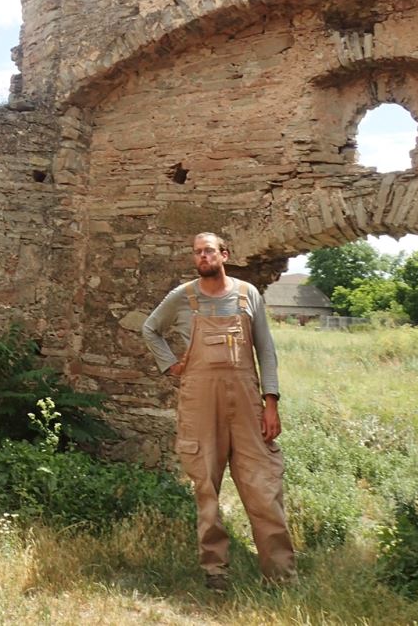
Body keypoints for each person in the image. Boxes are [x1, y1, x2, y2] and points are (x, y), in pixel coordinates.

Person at [142, 232, 296, 591]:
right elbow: (150, 329)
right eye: (197, 252)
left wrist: (270, 401)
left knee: (263, 485)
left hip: (246, 403)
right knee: (206, 488)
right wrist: (170, 365)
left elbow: (266, 350)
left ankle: (281, 577)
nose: (202, 257)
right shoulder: (182, 297)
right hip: (200, 404)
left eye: (208, 250)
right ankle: (216, 572)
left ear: (224, 254)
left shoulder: (247, 295)